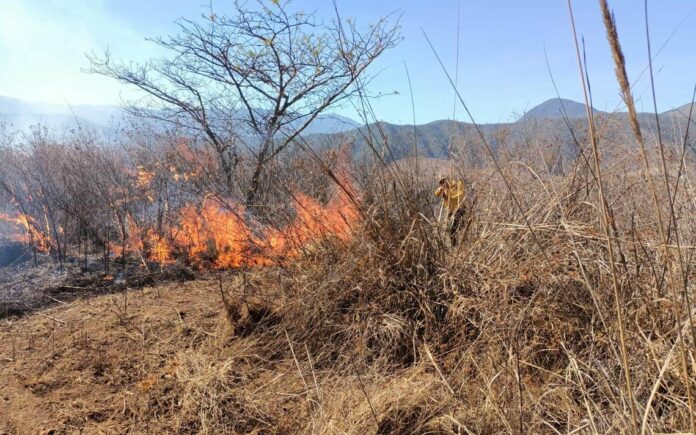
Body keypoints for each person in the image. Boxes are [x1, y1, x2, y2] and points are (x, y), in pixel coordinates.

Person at [435, 177, 466, 246]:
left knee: (459, 227)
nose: (444, 183)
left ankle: (463, 243)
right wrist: (440, 190)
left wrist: (451, 198)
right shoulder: (444, 189)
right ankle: (454, 245)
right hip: (451, 211)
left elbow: (461, 194)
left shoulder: (457, 184)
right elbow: (436, 194)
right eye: (441, 183)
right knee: (451, 228)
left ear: (447, 179)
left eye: (444, 181)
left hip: (459, 209)